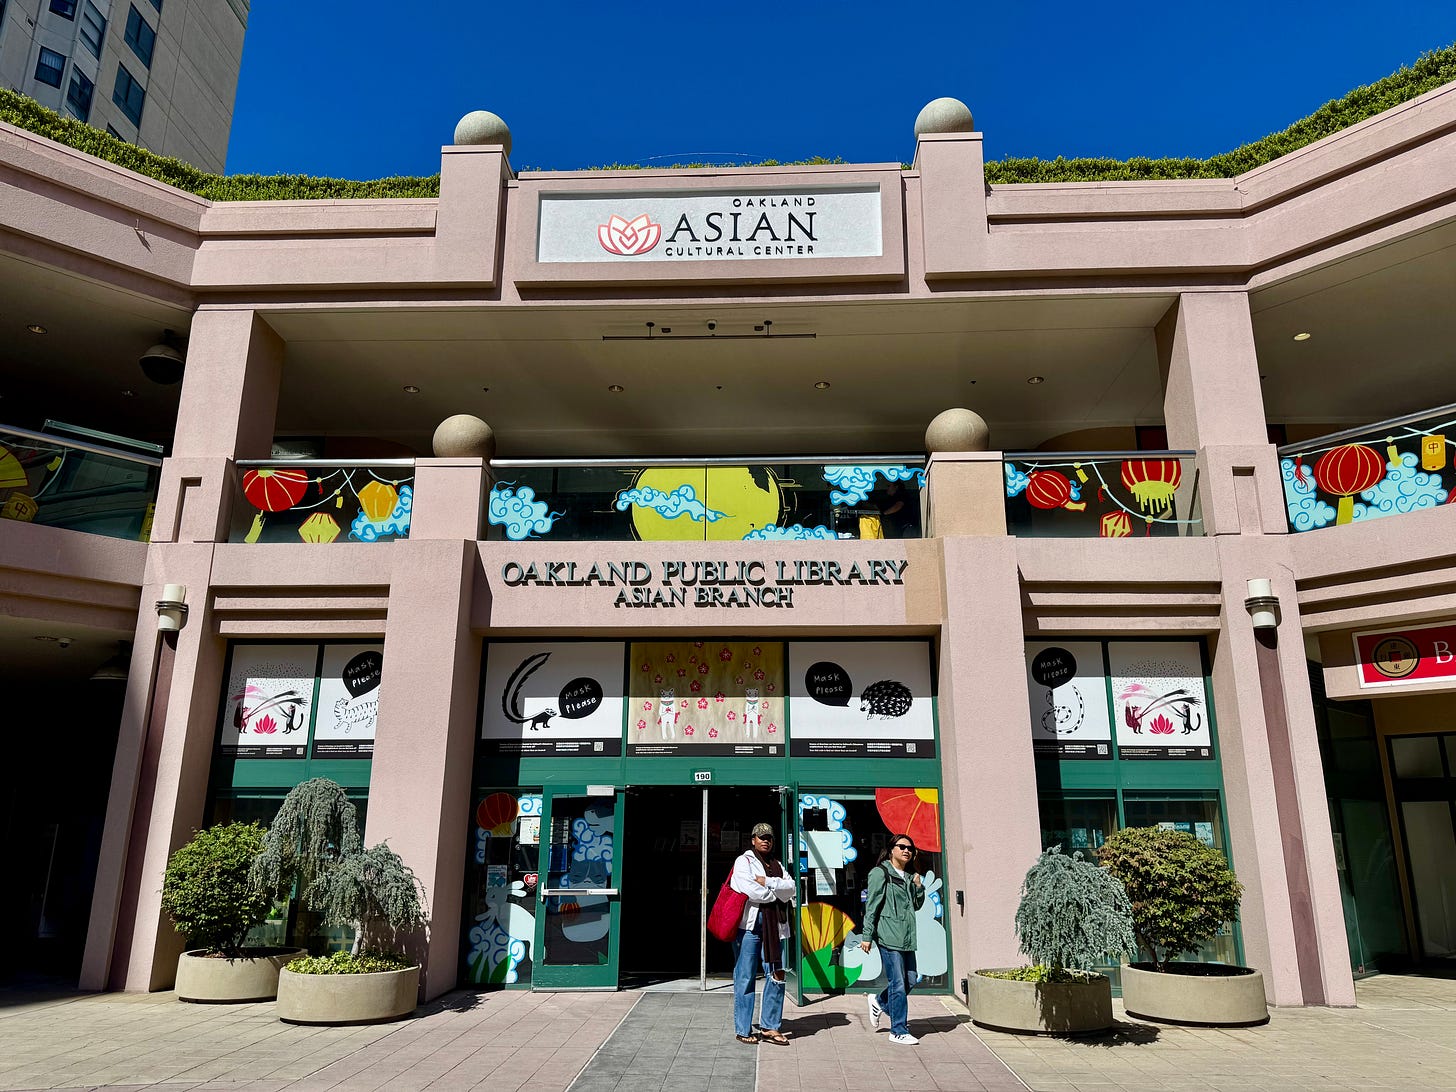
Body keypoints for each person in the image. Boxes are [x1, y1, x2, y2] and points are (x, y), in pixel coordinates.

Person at [730, 822, 794, 1046]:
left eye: (769, 837)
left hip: (775, 928)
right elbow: (749, 889)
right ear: (753, 840)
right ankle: (743, 1028)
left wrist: (767, 881)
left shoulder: (777, 864)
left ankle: (769, 1027)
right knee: (745, 976)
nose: (765, 840)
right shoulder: (744, 861)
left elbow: (792, 888)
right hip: (749, 928)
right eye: (761, 837)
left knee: (777, 974)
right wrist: (775, 894)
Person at [860, 833, 925, 1044]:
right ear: (891, 850)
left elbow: (916, 905)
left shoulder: (909, 876)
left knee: (910, 980)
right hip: (888, 935)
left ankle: (879, 1002)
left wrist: (918, 887)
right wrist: (867, 935)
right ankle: (898, 1030)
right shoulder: (880, 873)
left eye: (910, 848)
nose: (907, 851)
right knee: (897, 984)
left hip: (906, 936)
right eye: (902, 847)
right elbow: (871, 906)